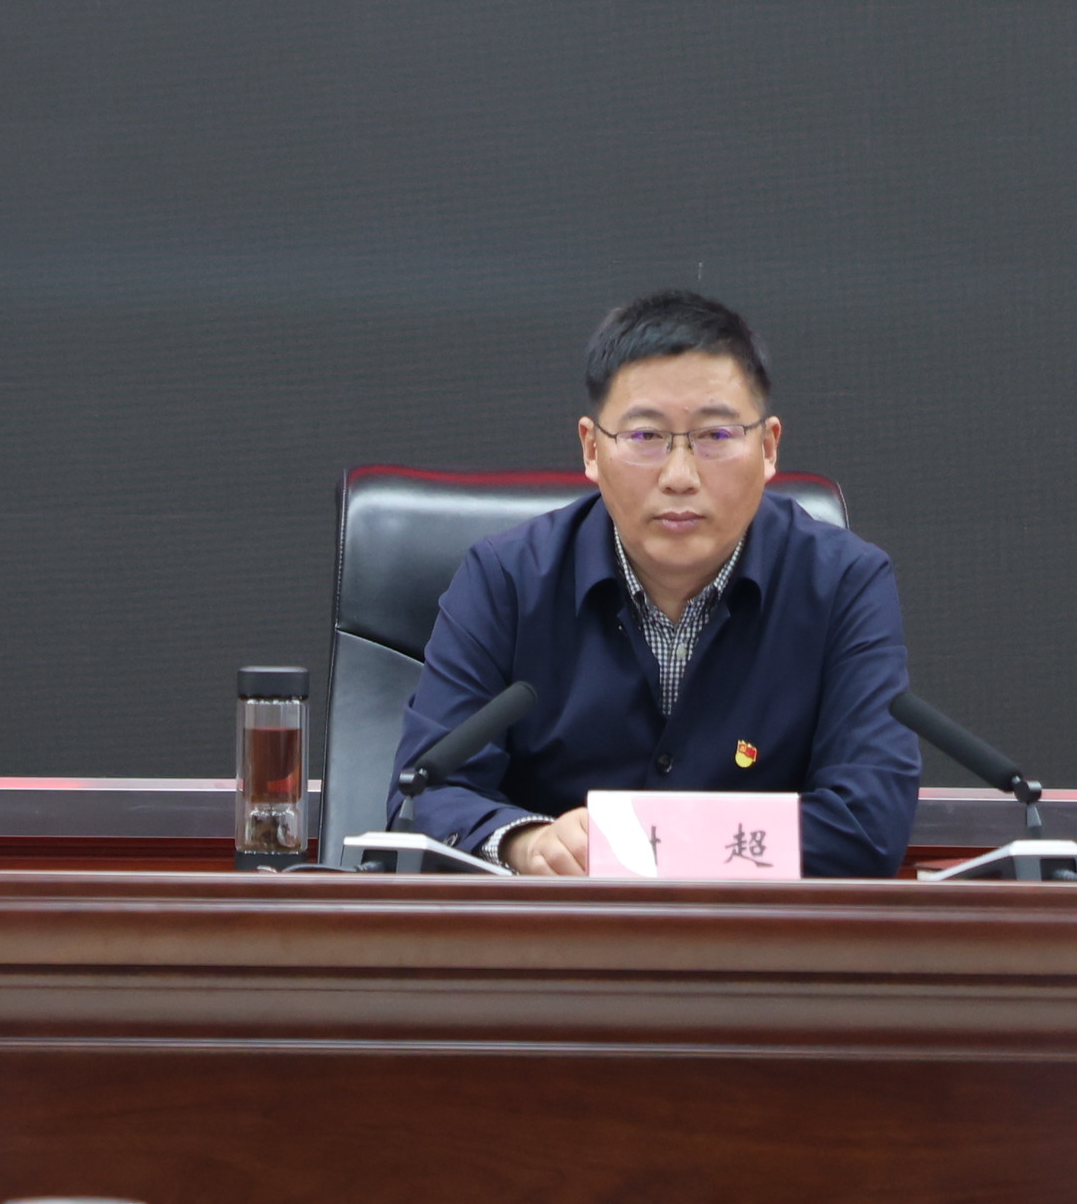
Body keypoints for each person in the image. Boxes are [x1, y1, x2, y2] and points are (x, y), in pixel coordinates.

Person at [386, 290, 919, 880]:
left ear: (768, 448)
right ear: (592, 448)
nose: (679, 476)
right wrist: (527, 844)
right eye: (645, 437)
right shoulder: (505, 581)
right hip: (556, 930)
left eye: (716, 436)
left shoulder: (843, 584)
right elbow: (426, 795)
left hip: (757, 933)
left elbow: (868, 825)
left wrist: (636, 846)